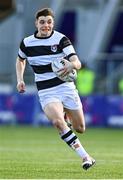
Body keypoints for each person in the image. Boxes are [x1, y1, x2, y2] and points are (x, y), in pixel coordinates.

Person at [16, 7, 95, 170]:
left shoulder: (61, 39)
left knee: (80, 128)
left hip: (66, 88)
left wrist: (72, 65)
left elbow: (77, 62)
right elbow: (20, 60)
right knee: (58, 122)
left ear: (53, 23)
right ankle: (86, 157)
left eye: (49, 22)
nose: (46, 25)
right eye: (42, 22)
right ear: (36, 23)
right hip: (46, 91)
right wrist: (20, 79)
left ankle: (66, 116)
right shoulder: (27, 42)